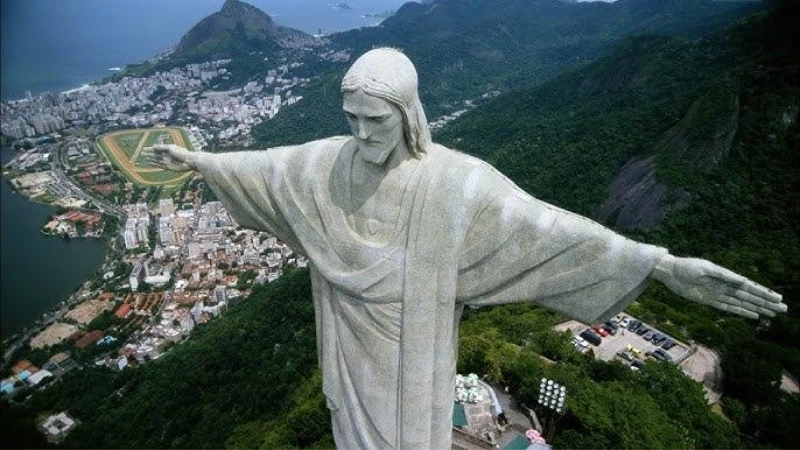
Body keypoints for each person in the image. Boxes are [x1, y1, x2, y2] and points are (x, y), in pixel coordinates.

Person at [144, 48, 786, 450]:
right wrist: (196, 158)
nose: (363, 133)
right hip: (347, 349)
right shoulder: (323, 167)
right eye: (352, 119)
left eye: (377, 118)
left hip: (416, 359)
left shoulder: (455, 184)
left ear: (408, 111)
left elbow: (548, 228)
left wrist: (661, 263)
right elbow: (266, 168)